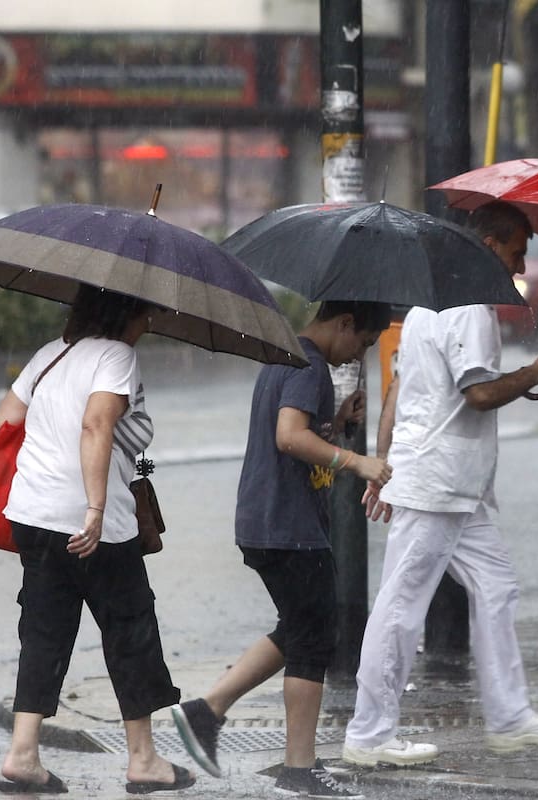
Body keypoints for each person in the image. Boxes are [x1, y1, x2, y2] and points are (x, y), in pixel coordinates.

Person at [342, 201, 538, 767]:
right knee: (401, 605)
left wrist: (385, 463)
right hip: (439, 483)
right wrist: (536, 373)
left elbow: (402, 392)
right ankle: (369, 734)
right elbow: (478, 394)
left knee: (496, 586)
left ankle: (509, 716)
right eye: (518, 253)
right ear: (494, 245)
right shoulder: (471, 307)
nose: (520, 266)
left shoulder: (428, 304)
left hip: (449, 481)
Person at [171, 301, 392, 798]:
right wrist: (355, 459)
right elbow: (289, 437)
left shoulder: (283, 354)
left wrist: (334, 424)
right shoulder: (310, 364)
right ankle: (298, 766)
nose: (359, 352)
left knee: (300, 627)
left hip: (266, 519)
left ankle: (206, 712)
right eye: (363, 342)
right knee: (314, 638)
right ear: (345, 324)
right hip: (289, 525)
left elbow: (298, 436)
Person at [0, 286, 194, 795]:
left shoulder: (49, 355)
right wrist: (95, 507)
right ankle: (144, 760)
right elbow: (96, 423)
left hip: (32, 513)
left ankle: (22, 753)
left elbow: (3, 423)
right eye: (147, 308)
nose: (152, 318)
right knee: (130, 629)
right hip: (91, 521)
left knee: (44, 630)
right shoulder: (117, 356)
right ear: (130, 310)